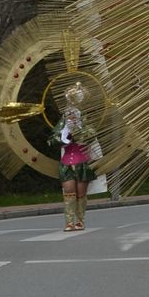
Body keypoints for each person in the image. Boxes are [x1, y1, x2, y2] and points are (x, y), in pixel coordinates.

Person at [54, 83, 95, 231]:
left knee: (81, 194)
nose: (70, 116)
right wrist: (63, 138)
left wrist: (77, 132)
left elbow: (91, 136)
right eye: (68, 114)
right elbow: (53, 140)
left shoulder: (85, 125)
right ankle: (69, 222)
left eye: (73, 114)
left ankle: (80, 220)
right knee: (69, 192)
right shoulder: (62, 127)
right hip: (66, 163)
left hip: (81, 162)